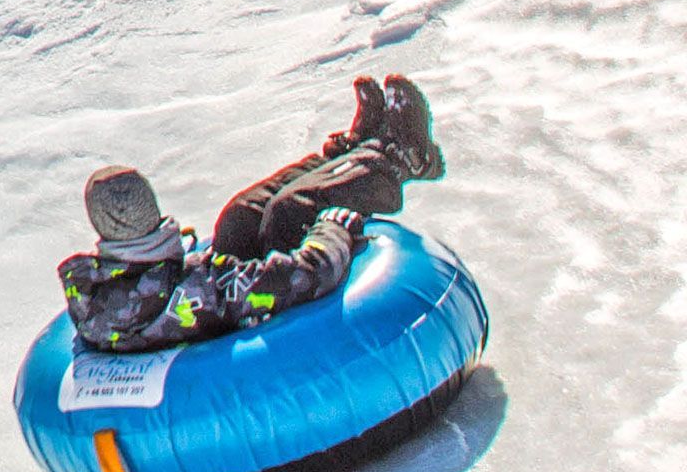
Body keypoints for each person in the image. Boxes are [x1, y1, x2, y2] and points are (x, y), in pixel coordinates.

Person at [58, 74, 444, 353]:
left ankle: (351, 152)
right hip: (257, 327)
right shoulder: (199, 291)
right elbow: (309, 274)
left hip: (206, 316)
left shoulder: (97, 294)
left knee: (240, 216)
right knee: (291, 214)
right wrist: (330, 233)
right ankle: (401, 158)